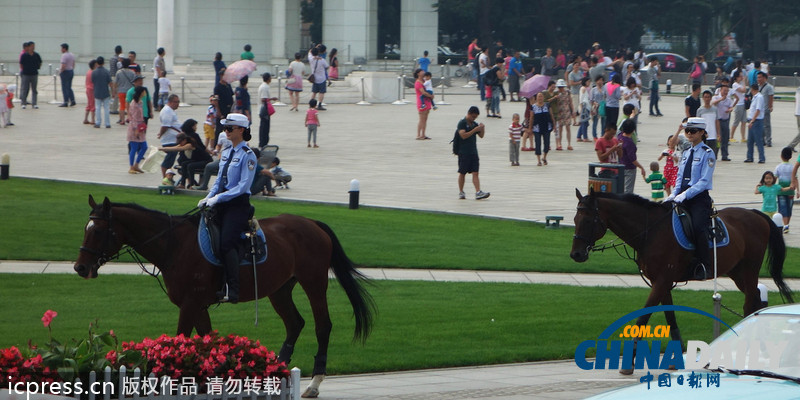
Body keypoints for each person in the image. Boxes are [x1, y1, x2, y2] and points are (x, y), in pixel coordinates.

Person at [197, 113, 258, 304]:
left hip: (237, 205)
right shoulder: (226, 152)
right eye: (225, 128)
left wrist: (218, 198)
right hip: (221, 202)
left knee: (226, 243)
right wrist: (207, 197)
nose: (226, 132)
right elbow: (219, 181)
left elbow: (242, 186)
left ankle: (233, 288)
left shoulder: (248, 156)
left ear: (241, 129)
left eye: (229, 128)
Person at [665, 117, 716, 281]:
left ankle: (704, 265)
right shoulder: (686, 153)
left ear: (702, 132)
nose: (689, 134)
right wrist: (674, 193)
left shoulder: (708, 153)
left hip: (698, 199)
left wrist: (685, 194)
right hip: (681, 196)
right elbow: (680, 176)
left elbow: (704, 181)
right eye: (687, 130)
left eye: (692, 131)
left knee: (697, 227)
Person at [160, 120, 212, 188]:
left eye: (181, 142)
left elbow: (179, 149)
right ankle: (182, 184)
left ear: (185, 140)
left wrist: (162, 149)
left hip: (206, 160)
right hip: (197, 160)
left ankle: (191, 184)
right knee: (184, 164)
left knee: (190, 166)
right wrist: (162, 149)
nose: (180, 144)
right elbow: (174, 147)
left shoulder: (189, 145)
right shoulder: (183, 143)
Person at [455, 106, 490, 200]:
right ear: (469, 114)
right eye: (473, 117)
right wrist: (474, 130)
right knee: (462, 173)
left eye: (475, 117)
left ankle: (478, 192)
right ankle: (461, 192)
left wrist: (482, 129)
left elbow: (481, 136)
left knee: (475, 172)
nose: (474, 119)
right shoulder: (462, 123)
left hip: (473, 152)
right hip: (464, 152)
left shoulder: (474, 124)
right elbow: (463, 135)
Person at [619, 119, 646, 193]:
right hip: (629, 168)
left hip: (619, 167)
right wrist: (641, 167)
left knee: (619, 188)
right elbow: (632, 159)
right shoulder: (629, 143)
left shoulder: (619, 136)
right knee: (628, 190)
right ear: (633, 130)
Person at [527, 92, 555, 166]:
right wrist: (530, 128)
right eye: (539, 96)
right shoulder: (533, 107)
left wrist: (554, 125)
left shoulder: (547, 105)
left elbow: (551, 116)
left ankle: (544, 157)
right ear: (536, 98)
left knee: (547, 144)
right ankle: (538, 160)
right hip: (537, 128)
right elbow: (531, 118)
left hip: (546, 126)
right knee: (538, 143)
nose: (540, 98)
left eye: (541, 96)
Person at [711, 81, 736, 161]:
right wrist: (721, 99)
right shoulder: (716, 97)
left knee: (725, 138)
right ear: (720, 90)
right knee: (718, 138)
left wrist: (730, 109)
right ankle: (715, 155)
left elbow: (731, 107)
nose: (726, 92)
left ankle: (724, 155)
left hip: (725, 121)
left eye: (727, 91)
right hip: (717, 121)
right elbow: (713, 103)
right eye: (724, 90)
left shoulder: (728, 100)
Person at [158, 94, 182, 177]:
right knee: (169, 158)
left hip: (173, 139)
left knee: (171, 159)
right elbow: (165, 125)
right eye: (176, 102)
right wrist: (160, 134)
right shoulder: (167, 111)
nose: (178, 104)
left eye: (178, 102)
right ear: (170, 102)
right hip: (169, 139)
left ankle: (168, 176)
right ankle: (165, 177)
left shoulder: (170, 110)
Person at [126, 86, 148, 174]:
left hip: (140, 126)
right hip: (134, 127)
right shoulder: (134, 103)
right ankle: (131, 166)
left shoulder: (140, 102)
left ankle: (136, 164)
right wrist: (136, 129)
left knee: (144, 146)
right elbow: (133, 117)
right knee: (134, 147)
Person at [745, 83, 766, 163]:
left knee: (758, 141)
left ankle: (762, 158)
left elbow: (758, 110)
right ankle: (750, 157)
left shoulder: (759, 97)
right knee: (750, 141)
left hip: (756, 121)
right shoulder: (755, 97)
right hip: (752, 120)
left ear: (752, 89)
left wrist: (752, 121)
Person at [775, 147, 795, 233]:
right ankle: (787, 225)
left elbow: (775, 178)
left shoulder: (778, 167)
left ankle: (785, 225)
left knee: (783, 208)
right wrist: (798, 190)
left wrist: (771, 186)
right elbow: (795, 179)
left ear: (781, 156)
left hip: (781, 191)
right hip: (791, 191)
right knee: (789, 208)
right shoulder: (793, 167)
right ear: (790, 157)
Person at [19, 41, 42, 109]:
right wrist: (24, 70)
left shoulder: (36, 55)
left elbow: (40, 62)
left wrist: (37, 67)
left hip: (34, 74)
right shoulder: (24, 55)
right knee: (25, 89)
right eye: (32, 46)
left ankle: (34, 103)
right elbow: (21, 64)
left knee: (34, 89)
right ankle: (23, 103)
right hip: (26, 74)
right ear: (28, 47)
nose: (33, 47)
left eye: (34, 46)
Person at [91, 57, 113, 129]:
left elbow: (93, 81)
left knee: (98, 108)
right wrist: (113, 91)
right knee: (106, 108)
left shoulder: (94, 72)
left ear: (97, 63)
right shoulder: (106, 71)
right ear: (103, 63)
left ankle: (98, 122)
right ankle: (107, 123)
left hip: (97, 91)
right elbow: (110, 83)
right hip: (105, 91)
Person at [696, 90, 719, 158]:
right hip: (704, 136)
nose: (707, 99)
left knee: (713, 155)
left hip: (713, 135)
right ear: (703, 98)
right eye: (705, 97)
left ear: (711, 98)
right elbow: (698, 123)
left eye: (708, 97)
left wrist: (718, 134)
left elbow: (717, 121)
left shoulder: (715, 109)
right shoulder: (700, 110)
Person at [258, 73, 278, 148]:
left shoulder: (264, 86)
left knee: (264, 127)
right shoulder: (264, 87)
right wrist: (272, 99)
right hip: (264, 111)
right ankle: (263, 143)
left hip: (264, 110)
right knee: (264, 128)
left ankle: (263, 142)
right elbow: (263, 99)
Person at [114, 59, 135, 125]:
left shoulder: (118, 72)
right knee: (130, 106)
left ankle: (122, 120)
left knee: (122, 106)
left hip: (121, 91)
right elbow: (134, 82)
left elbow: (115, 83)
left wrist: (114, 91)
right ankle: (130, 118)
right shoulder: (132, 72)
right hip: (130, 91)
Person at [414, 68, 433, 140]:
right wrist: (430, 96)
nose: (423, 72)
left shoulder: (425, 81)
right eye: (421, 71)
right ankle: (418, 134)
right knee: (421, 119)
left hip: (427, 101)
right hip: (421, 102)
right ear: (418, 74)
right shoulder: (418, 82)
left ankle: (423, 134)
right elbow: (423, 92)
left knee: (425, 119)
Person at [554, 79, 573, 151]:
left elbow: (570, 102)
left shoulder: (567, 92)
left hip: (567, 111)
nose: (560, 88)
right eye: (559, 87)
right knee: (560, 129)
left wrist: (573, 111)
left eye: (561, 87)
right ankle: (560, 143)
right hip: (559, 112)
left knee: (568, 128)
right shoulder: (556, 93)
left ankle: (569, 144)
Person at [757, 72, 774, 147]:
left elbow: (771, 97)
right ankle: (762, 140)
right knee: (760, 126)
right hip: (759, 110)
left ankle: (768, 140)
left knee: (766, 126)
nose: (759, 79)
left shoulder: (769, 87)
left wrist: (770, 106)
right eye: (758, 77)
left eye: (760, 77)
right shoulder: (758, 86)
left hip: (765, 109)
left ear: (764, 78)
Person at [730, 72, 747, 143]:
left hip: (743, 104)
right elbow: (743, 90)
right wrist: (744, 82)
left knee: (744, 121)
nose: (741, 78)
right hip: (738, 105)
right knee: (736, 121)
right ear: (736, 77)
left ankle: (743, 137)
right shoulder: (735, 85)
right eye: (740, 76)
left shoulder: (740, 84)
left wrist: (743, 82)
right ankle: (731, 136)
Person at [58, 43, 76, 107]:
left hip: (65, 72)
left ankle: (65, 101)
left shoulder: (64, 55)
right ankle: (72, 100)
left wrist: (60, 71)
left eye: (62, 48)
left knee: (64, 87)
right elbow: (73, 64)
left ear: (64, 49)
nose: (61, 50)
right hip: (71, 71)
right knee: (69, 87)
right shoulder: (72, 55)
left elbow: (63, 65)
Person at [590, 76, 606, 141]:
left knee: (603, 122)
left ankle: (602, 135)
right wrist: (594, 103)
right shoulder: (593, 89)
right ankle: (594, 136)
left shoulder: (605, 89)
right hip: (596, 107)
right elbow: (591, 99)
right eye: (598, 80)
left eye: (601, 80)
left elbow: (606, 97)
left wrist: (601, 91)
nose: (600, 82)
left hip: (603, 107)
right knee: (595, 122)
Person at [109, 45, 123, 114]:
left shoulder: (111, 58)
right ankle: (114, 109)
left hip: (111, 76)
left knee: (112, 93)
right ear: (120, 51)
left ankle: (111, 107)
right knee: (116, 94)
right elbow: (119, 69)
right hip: (115, 77)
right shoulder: (118, 60)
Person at [83, 59, 96, 125]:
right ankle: (93, 119)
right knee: (93, 104)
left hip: (88, 89)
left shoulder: (88, 72)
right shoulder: (93, 73)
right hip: (92, 89)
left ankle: (85, 119)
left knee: (89, 104)